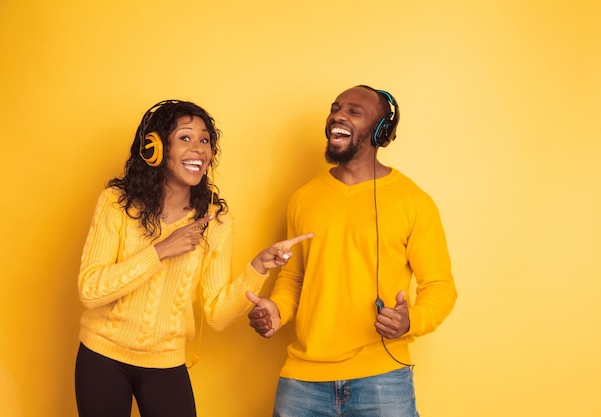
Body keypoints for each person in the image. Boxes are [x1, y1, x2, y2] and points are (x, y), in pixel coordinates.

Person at [74, 99, 312, 417]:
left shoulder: (215, 219)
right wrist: (160, 251)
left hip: (166, 361)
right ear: (154, 148)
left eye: (205, 140)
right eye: (185, 138)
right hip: (101, 356)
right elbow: (90, 290)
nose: (199, 149)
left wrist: (258, 267)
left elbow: (217, 314)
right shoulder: (116, 204)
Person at [246, 85, 457, 416]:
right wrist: (277, 311)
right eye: (335, 108)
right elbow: (295, 276)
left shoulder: (413, 200)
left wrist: (410, 320)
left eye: (353, 111)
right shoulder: (304, 197)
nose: (337, 116)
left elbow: (440, 286)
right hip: (302, 381)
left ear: (380, 130)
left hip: (382, 379)